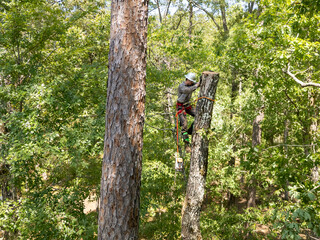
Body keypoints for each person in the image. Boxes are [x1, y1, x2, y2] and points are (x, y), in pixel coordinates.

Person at [176, 72, 200, 151]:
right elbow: (187, 90)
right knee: (184, 125)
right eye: (192, 81)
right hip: (180, 106)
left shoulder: (191, 85)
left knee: (199, 115)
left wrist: (201, 80)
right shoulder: (182, 86)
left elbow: (197, 84)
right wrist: (196, 85)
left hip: (187, 105)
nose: (192, 83)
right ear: (188, 80)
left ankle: (190, 130)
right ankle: (186, 144)